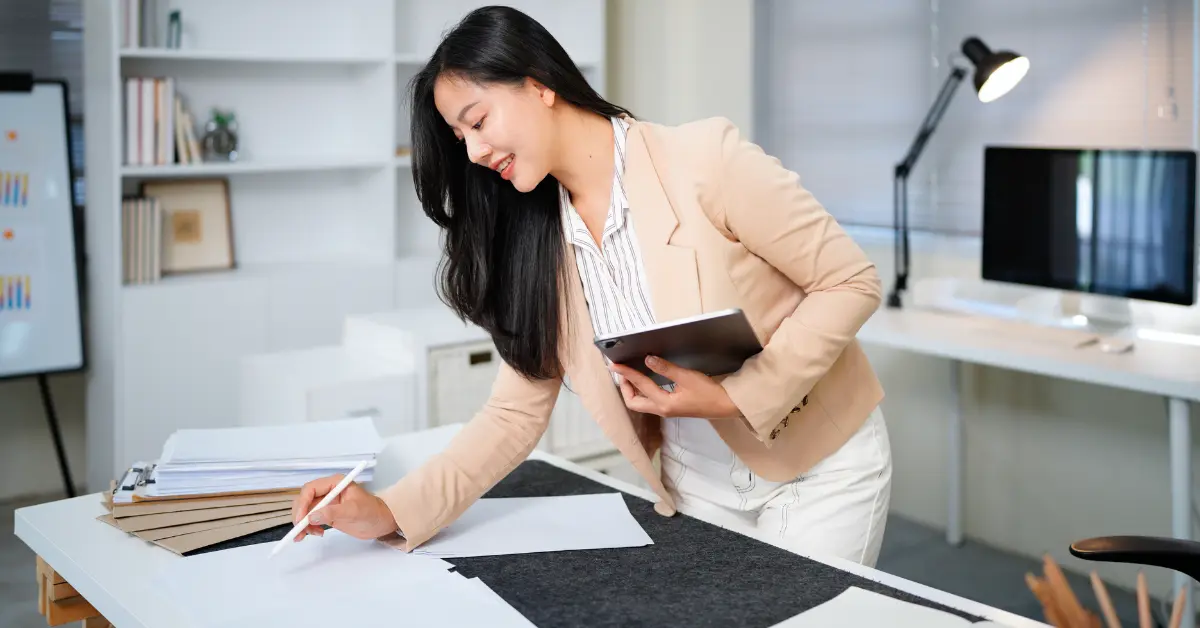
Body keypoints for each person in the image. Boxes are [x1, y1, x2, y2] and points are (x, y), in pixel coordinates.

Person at [290, 5, 893, 567]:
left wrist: (738, 396)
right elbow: (512, 413)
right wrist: (390, 511)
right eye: (461, 139)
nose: (474, 152)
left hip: (819, 472)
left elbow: (848, 281)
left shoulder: (704, 159)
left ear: (539, 82)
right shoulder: (539, 240)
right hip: (695, 488)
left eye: (477, 121)